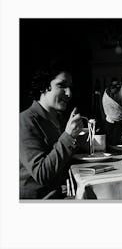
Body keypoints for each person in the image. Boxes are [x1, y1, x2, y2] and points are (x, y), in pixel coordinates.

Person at [20, 62, 84, 199]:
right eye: (61, 85)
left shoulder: (60, 119)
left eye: (70, 87)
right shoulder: (25, 121)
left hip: (65, 193)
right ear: (44, 87)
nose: (69, 93)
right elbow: (42, 174)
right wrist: (68, 136)